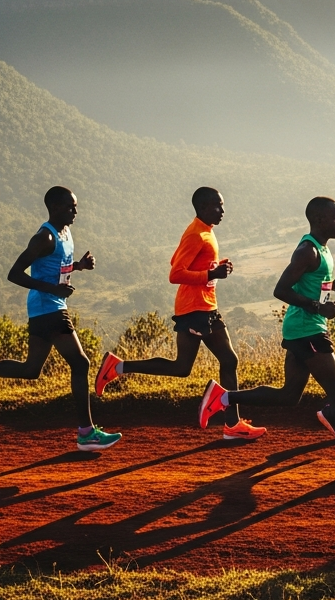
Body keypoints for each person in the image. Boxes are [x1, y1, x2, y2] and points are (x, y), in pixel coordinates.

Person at [197, 197, 335, 481]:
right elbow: (281, 289)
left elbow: (308, 286)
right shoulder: (307, 251)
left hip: (303, 328)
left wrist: (330, 288)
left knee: (289, 395)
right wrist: (318, 307)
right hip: (307, 329)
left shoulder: (322, 249)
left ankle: (223, 396)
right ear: (320, 219)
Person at [0, 186, 121, 451]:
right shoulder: (44, 238)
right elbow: (14, 273)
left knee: (30, 369)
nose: (76, 211)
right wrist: (53, 290)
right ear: (55, 208)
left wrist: (78, 267)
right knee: (81, 363)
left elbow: (53, 268)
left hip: (47, 307)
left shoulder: (65, 233)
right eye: (71, 207)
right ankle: (86, 433)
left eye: (76, 206)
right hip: (48, 307)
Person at [93, 187, 265, 441]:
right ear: (204, 207)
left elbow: (177, 260)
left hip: (205, 306)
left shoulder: (205, 231)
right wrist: (210, 274)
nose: (223, 210)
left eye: (223, 205)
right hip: (194, 309)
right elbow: (175, 273)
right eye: (218, 206)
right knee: (212, 362)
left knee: (199, 365)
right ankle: (231, 421)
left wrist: (213, 268)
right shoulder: (196, 234)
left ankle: (118, 367)